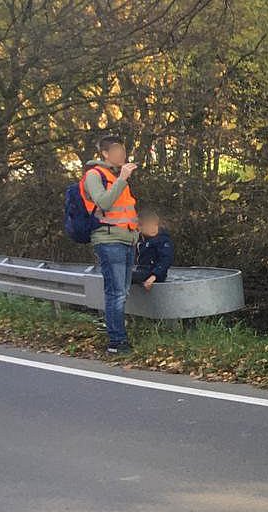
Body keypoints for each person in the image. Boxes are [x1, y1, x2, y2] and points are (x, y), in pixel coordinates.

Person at [81, 134, 140, 354]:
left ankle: (118, 338)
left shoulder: (116, 176)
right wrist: (122, 178)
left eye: (123, 152)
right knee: (115, 292)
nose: (122, 156)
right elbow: (104, 202)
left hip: (127, 239)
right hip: (108, 241)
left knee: (122, 292)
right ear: (105, 154)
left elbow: (125, 209)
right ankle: (116, 342)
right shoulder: (94, 175)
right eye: (116, 151)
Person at [131, 211, 173, 290]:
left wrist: (154, 276)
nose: (153, 228)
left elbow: (166, 260)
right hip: (142, 271)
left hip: (154, 273)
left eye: (155, 225)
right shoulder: (139, 239)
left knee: (126, 277)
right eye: (149, 226)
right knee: (120, 275)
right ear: (140, 227)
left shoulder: (162, 240)